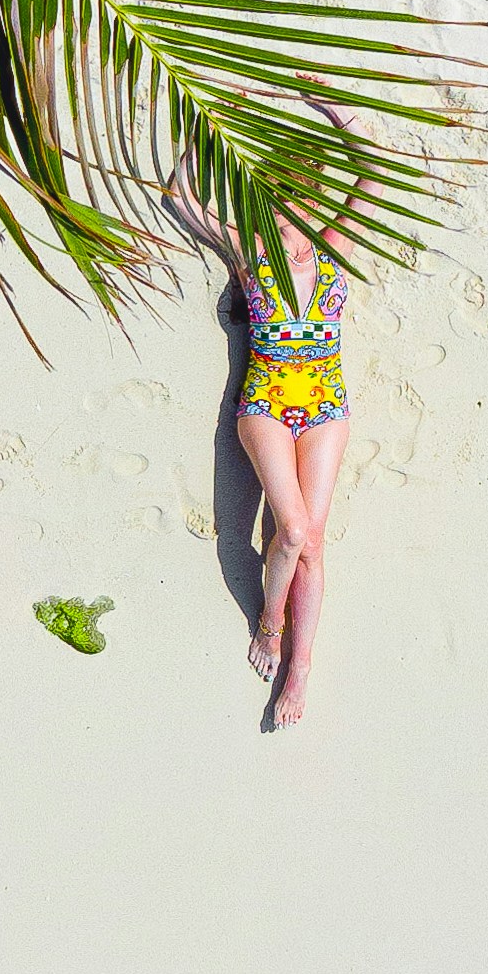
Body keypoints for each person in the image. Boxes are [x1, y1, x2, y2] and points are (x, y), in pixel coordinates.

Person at [188, 187, 346, 726]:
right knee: (294, 532)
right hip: (266, 404)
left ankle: (300, 667)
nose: (286, 209)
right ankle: (271, 622)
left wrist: (338, 116)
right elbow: (186, 196)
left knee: (314, 541)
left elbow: (373, 173)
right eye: (275, 201)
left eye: (296, 200)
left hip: (327, 406)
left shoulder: (332, 248)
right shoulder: (250, 254)